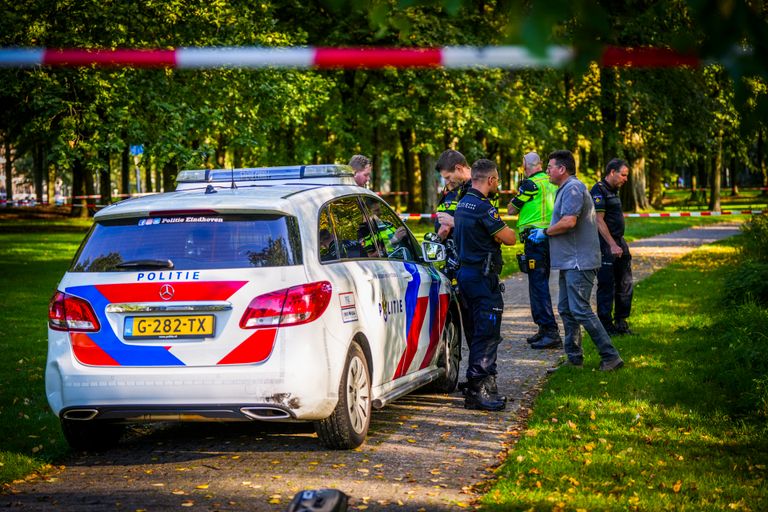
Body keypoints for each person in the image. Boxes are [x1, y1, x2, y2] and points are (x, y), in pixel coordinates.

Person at [527, 150, 624, 372]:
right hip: (570, 261)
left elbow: (569, 221)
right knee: (566, 309)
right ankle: (574, 359)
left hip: (579, 262)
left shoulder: (573, 188)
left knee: (580, 309)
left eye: (550, 167)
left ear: (562, 169)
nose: (547, 171)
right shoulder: (565, 188)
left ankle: (610, 356)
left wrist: (545, 232)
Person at [454, 159, 517, 410]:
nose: (497, 184)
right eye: (497, 180)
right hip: (482, 278)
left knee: (475, 331)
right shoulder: (483, 208)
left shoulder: (462, 203)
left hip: (466, 275)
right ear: (490, 180)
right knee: (487, 333)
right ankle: (478, 388)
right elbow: (509, 238)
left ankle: (484, 383)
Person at [507, 152, 561, 349]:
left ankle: (550, 331)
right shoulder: (551, 181)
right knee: (540, 282)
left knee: (538, 285)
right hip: (549, 236)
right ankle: (543, 329)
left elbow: (512, 209)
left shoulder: (530, 185)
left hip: (535, 239)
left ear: (525, 165)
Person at [591, 158, 634, 335]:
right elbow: (598, 221)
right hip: (606, 245)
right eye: (623, 175)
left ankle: (621, 321)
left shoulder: (614, 191)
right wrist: (612, 245)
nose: (625, 179)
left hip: (619, 241)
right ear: (612, 172)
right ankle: (606, 326)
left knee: (625, 282)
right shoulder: (598, 190)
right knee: (607, 285)